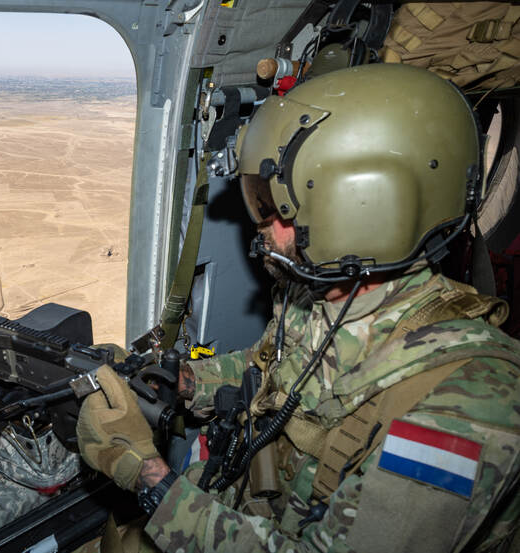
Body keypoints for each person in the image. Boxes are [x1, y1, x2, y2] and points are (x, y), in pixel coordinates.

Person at [76, 63, 520, 552]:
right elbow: (267, 370)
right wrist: (179, 380)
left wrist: (147, 475)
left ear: (360, 209)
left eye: (275, 205)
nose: (260, 226)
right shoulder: (317, 297)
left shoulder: (470, 405)